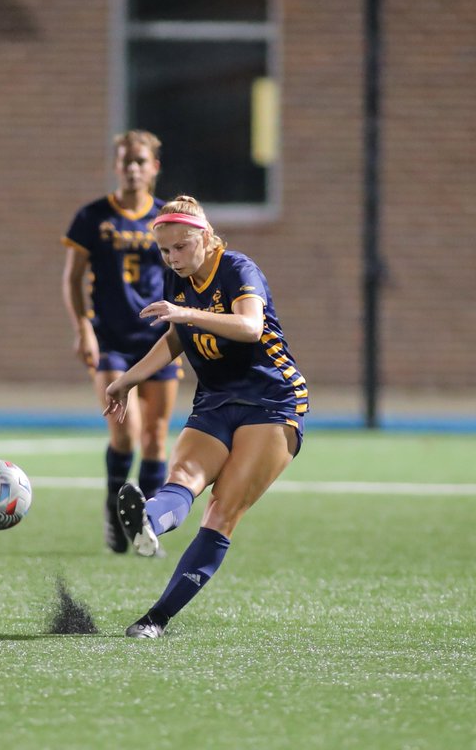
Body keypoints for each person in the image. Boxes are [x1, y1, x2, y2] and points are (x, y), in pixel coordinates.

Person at [103, 194, 309, 638]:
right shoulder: (178, 281)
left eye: (180, 247)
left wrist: (186, 312)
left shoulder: (237, 268)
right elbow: (177, 338)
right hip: (215, 399)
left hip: (272, 401)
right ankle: (148, 523)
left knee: (220, 510)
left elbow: (250, 327)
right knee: (182, 480)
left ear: (205, 238)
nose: (172, 257)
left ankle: (156, 619)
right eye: (164, 250)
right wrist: (130, 379)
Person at [61, 131, 182, 554]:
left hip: (158, 341)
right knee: (125, 431)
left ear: (154, 167)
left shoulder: (166, 218)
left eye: (140, 161)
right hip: (111, 338)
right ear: (116, 166)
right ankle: (115, 510)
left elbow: (182, 272)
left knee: (155, 436)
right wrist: (83, 329)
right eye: (125, 161)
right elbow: (73, 278)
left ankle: (146, 527)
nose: (133, 168)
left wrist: (184, 326)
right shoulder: (94, 216)